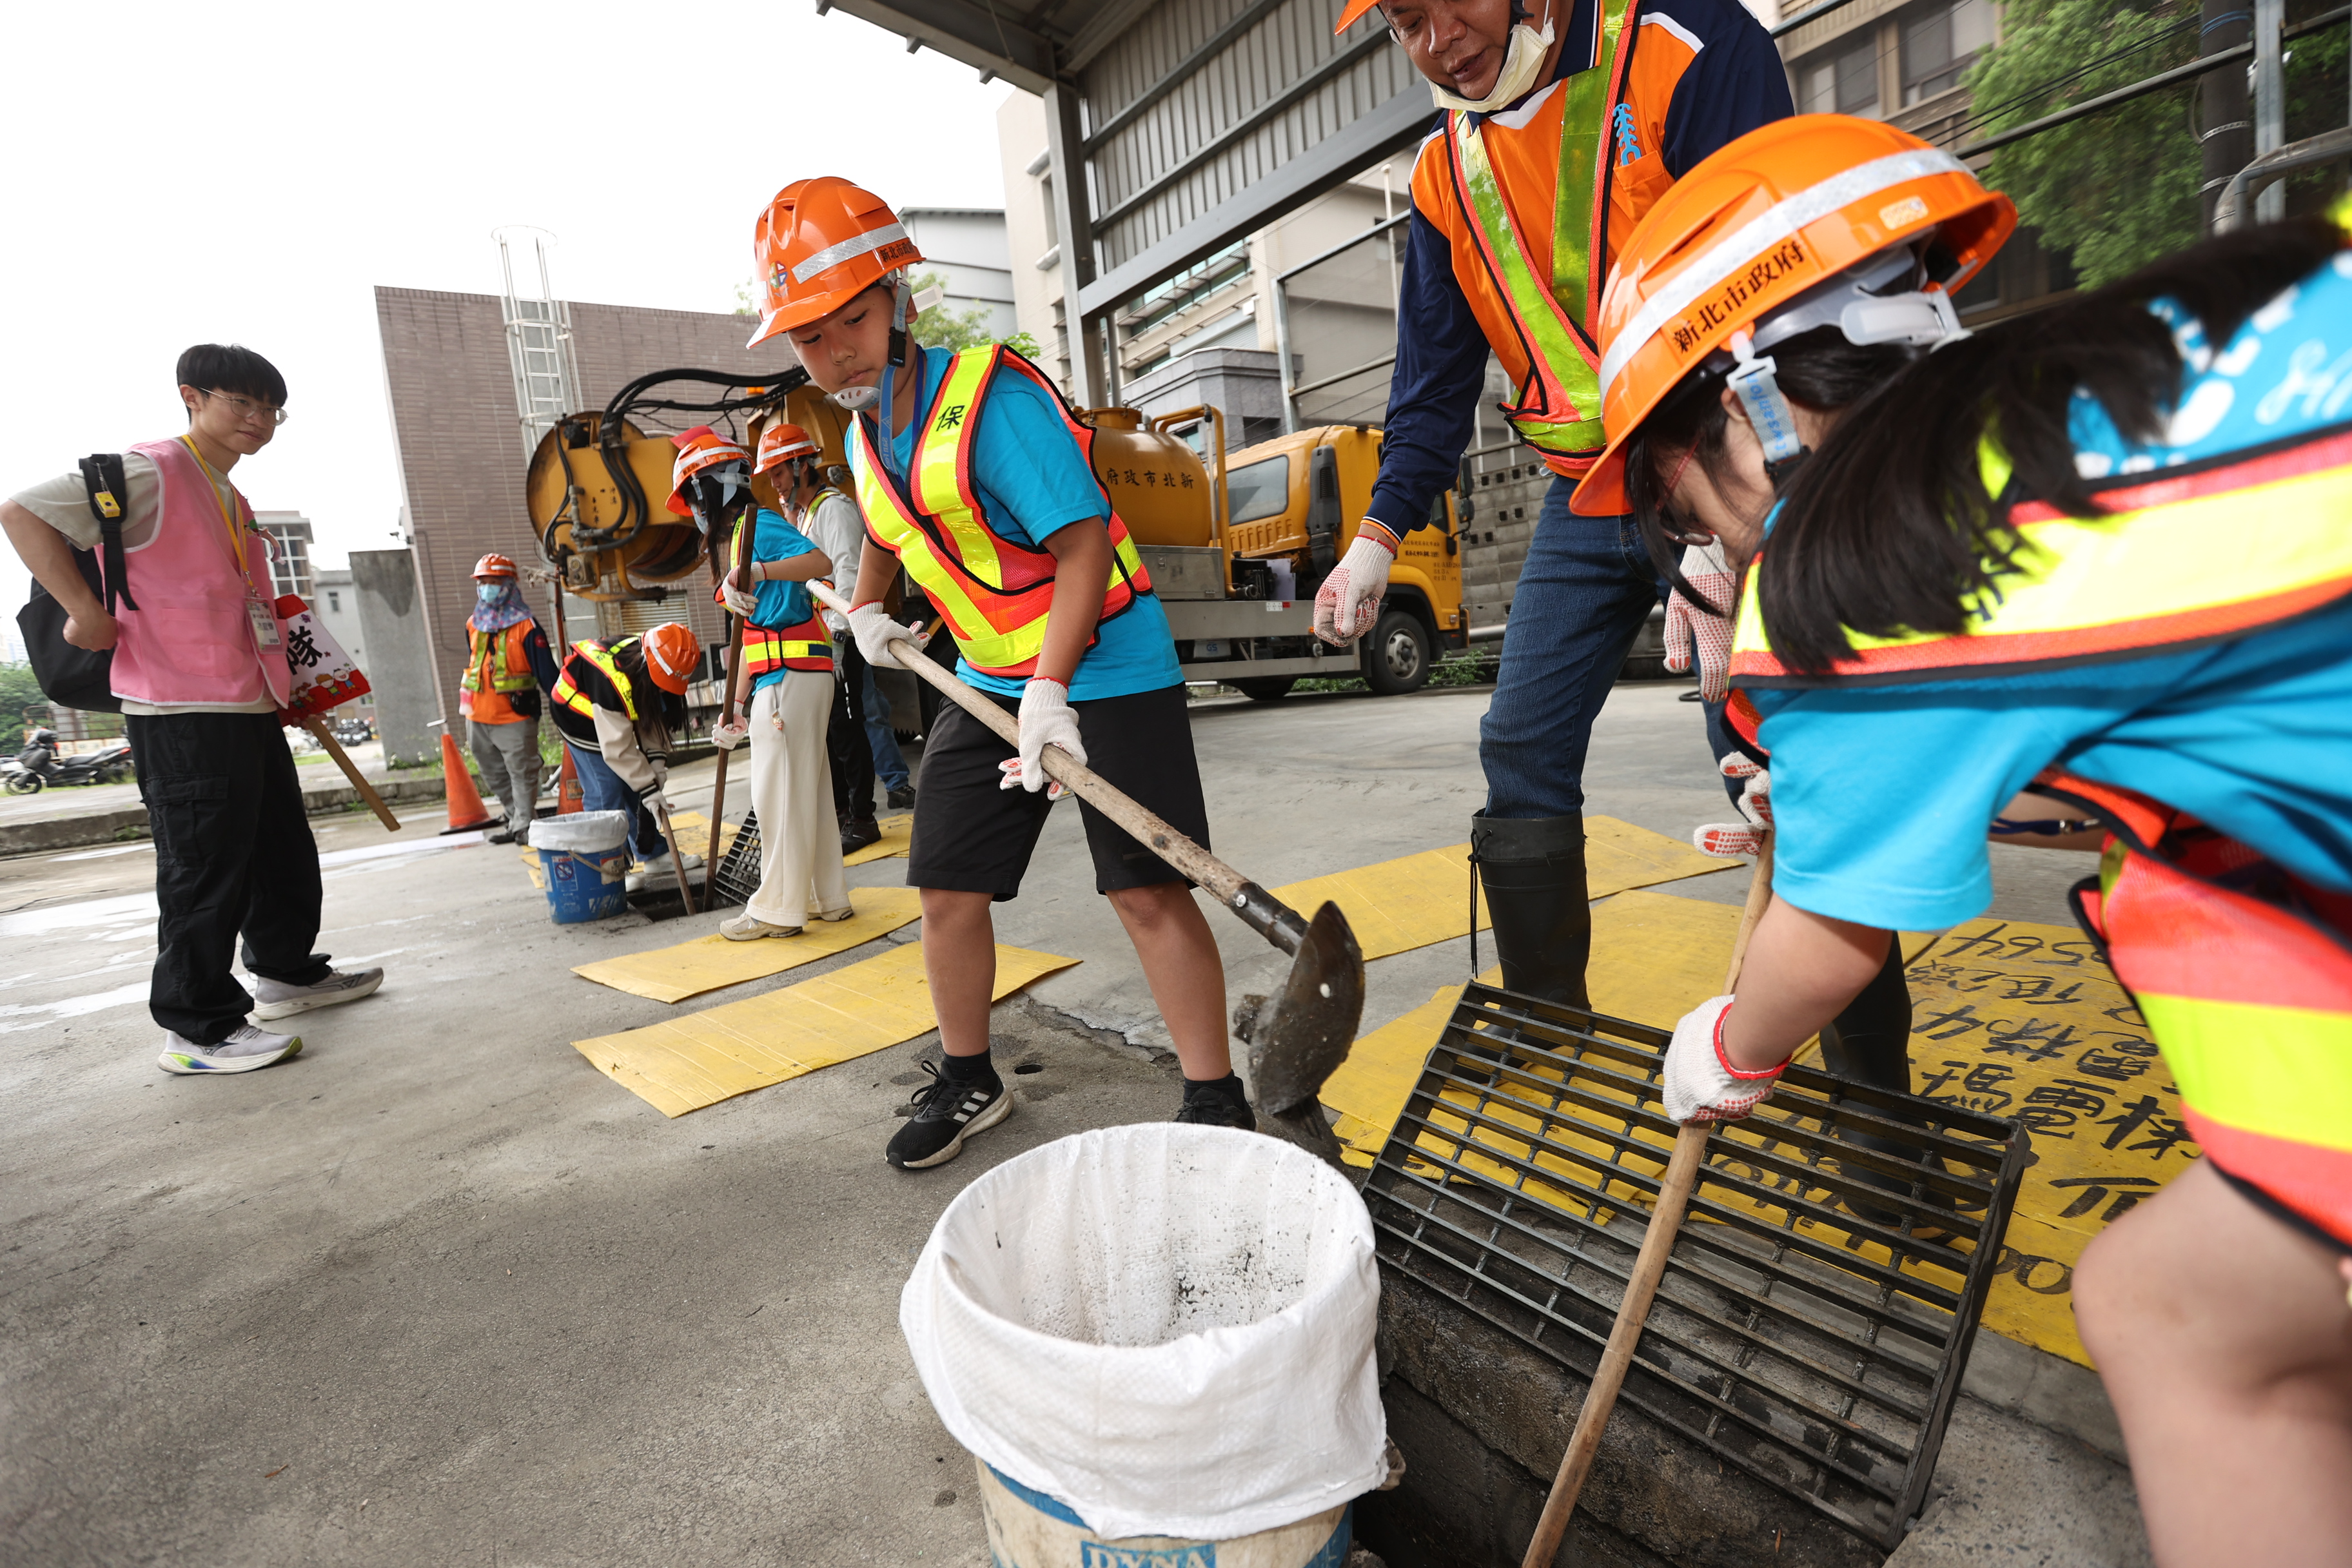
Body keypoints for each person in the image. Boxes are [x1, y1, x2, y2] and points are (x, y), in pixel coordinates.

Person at [1575, 115, 2352, 1565]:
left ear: (1745, 408)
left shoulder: (1849, 558)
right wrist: (1831, 797)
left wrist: (1736, 1041)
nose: (1705, 545)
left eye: (1679, 491)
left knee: (2168, 1314)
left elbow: (1835, 941)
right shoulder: (2108, 377)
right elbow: (2171, 689)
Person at [747, 176, 1253, 1168]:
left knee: (1145, 887)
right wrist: (865, 606)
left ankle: (1215, 1092)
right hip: (984, 681)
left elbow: (1080, 552)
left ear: (897, 298)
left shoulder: (994, 398)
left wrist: (1055, 693)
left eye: (850, 318)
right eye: (808, 336)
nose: (833, 349)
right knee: (946, 883)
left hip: (1102, 666)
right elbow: (896, 527)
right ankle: (969, 1073)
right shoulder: (858, 434)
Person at [1309, 0, 1790, 1009]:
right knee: (1521, 745)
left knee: (1769, 758)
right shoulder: (1445, 172)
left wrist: (1730, 525)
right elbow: (1434, 385)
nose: (1438, 40)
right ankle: (1545, 1024)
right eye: (1404, 21)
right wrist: (1375, 537)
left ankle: (1870, 1098)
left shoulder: (1681, 48)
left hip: (1726, 473)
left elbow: (1773, 297)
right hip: (1586, 491)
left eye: (1454, 1)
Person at [0, 344, 384, 1075]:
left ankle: (286, 972)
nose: (260, 419)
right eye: (242, 402)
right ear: (192, 397)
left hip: (247, 702)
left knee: (280, 850)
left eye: (272, 408)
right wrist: (84, 609)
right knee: (205, 867)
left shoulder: (229, 495)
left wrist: (291, 688)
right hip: (179, 709)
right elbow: (20, 511)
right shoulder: (151, 470)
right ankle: (197, 1026)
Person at [698, 422, 852, 938]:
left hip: (793, 678)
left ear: (708, 489)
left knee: (777, 794)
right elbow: (751, 636)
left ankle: (777, 911)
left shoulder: (755, 527)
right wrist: (735, 705)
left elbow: (823, 562)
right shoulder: (743, 537)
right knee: (806, 789)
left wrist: (759, 573)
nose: (692, 512)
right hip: (788, 675)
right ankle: (826, 898)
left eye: (691, 498)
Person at [545, 622, 705, 894]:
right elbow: (617, 750)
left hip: (610, 715)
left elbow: (652, 715)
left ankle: (652, 854)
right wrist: (648, 786)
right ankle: (610, 868)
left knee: (639, 784)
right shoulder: (610, 678)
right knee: (606, 791)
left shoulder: (653, 661)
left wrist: (656, 767)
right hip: (577, 716)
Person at [459, 552, 550, 845]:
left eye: (494, 581)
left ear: (510, 584)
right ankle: (516, 820)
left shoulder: (527, 627)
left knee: (522, 771)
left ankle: (525, 823)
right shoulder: (473, 624)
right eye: (483, 581)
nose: (487, 587)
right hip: (477, 715)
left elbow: (548, 675)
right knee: (493, 773)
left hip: (515, 716)